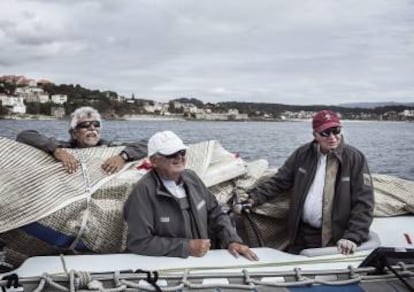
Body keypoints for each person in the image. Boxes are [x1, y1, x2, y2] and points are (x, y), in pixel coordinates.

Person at [245, 110, 374, 255]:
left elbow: (364, 201)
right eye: (326, 133)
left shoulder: (354, 158)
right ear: (315, 135)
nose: (332, 137)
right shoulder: (302, 154)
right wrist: (253, 198)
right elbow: (279, 181)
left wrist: (352, 237)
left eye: (336, 130)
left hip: (332, 238)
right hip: (300, 233)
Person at [124, 130, 258, 260]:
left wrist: (232, 240)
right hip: (168, 267)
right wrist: (186, 247)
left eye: (182, 152)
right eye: (171, 154)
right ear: (154, 160)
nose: (179, 157)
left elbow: (215, 212)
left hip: (201, 262)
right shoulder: (143, 192)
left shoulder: (192, 178)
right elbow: (138, 242)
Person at [16, 106, 147, 174]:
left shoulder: (110, 148)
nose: (92, 129)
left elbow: (149, 144)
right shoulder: (64, 148)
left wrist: (123, 156)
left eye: (96, 125)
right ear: (74, 133)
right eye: (85, 125)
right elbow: (24, 135)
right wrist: (56, 150)